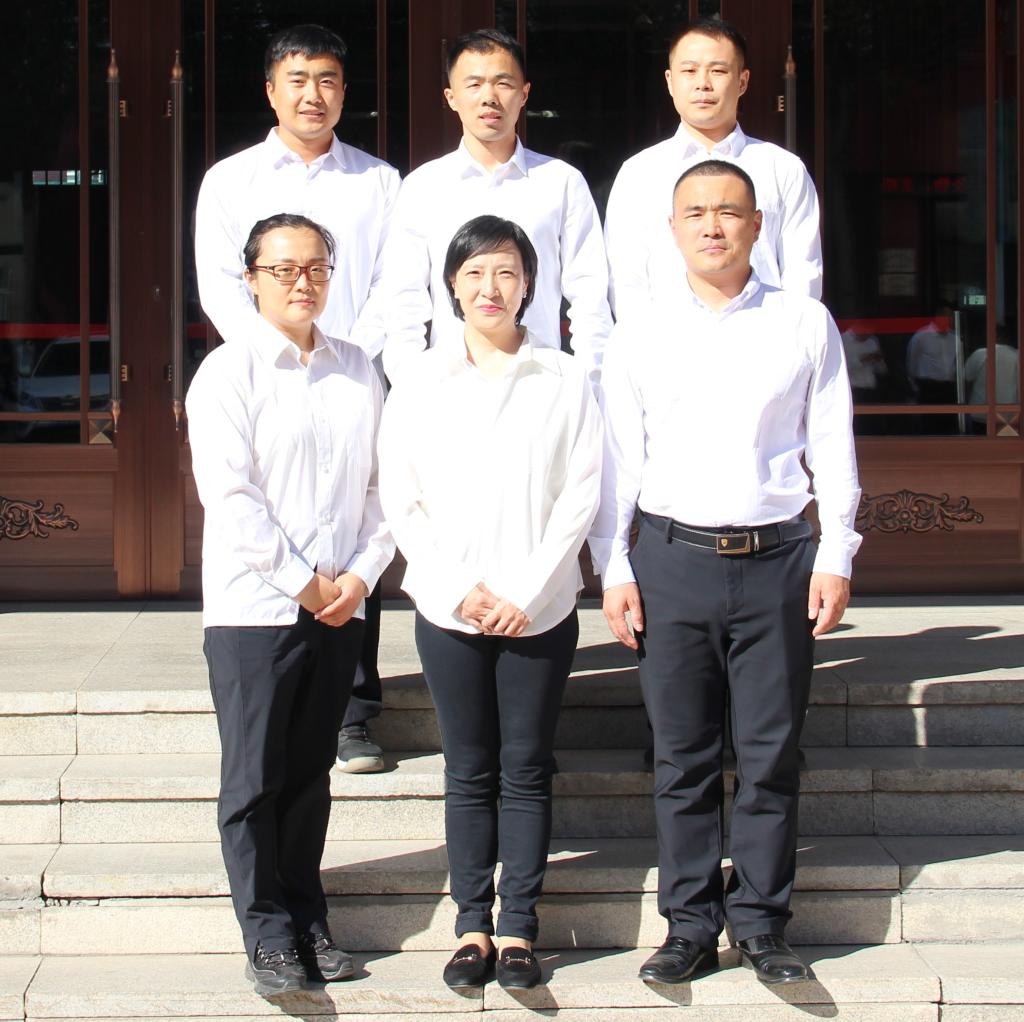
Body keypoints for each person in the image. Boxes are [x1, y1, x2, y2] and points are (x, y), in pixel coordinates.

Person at [590, 161, 861, 987]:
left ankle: (764, 924)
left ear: (757, 226)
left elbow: (834, 444)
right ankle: (689, 926)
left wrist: (836, 552)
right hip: (672, 563)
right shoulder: (638, 331)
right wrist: (614, 564)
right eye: (697, 213)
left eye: (730, 212)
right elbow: (617, 462)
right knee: (683, 758)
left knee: (771, 754)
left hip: (778, 560)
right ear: (672, 230)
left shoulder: (803, 322)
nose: (713, 226)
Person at [378, 215, 602, 991]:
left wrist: (528, 590)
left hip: (540, 610)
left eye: (506, 271)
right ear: (451, 285)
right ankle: (472, 925)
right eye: (474, 272)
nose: (490, 287)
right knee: (469, 769)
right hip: (450, 611)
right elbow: (401, 498)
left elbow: (581, 495)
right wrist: (457, 589)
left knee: (527, 768)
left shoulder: (564, 378)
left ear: (529, 283)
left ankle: (518, 930)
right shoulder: (419, 381)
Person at [186, 214, 393, 996]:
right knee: (254, 781)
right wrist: (305, 583)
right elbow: (231, 498)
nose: (302, 282)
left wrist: (360, 578)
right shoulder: (228, 373)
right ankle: (267, 935)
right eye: (283, 270)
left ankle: (309, 920)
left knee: (309, 776)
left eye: (316, 268)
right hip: (256, 613)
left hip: (340, 608)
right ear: (251, 279)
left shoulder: (357, 367)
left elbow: (384, 486)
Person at [194, 23, 400, 775]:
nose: (313, 94)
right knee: (274, 510)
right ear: (271, 91)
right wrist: (277, 348)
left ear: (344, 92)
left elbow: (394, 284)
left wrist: (345, 354)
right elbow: (221, 283)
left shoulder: (379, 182)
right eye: (298, 79)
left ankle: (355, 713)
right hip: (265, 374)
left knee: (352, 518)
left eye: (328, 80)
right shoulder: (230, 180)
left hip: (352, 374)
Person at [381, 29, 611, 387]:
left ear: (524, 94)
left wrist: (589, 384)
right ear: (451, 97)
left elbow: (589, 296)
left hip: (542, 383)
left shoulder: (561, 182)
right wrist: (410, 383)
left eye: (503, 83)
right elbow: (402, 300)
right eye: (474, 84)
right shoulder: (423, 187)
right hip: (449, 386)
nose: (489, 97)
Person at [604, 17, 822, 321]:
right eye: (689, 71)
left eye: (718, 71)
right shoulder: (639, 174)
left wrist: (786, 337)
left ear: (742, 81)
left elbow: (802, 273)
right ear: (670, 81)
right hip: (668, 341)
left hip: (764, 339)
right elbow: (626, 281)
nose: (703, 83)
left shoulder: (783, 169)